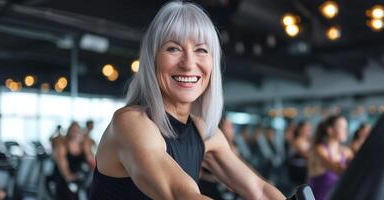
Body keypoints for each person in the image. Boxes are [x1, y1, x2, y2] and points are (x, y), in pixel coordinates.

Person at [88, 1, 286, 199]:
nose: (189, 63)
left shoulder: (203, 131)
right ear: (153, 59)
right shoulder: (131, 123)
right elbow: (181, 194)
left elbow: (259, 190)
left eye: (201, 50)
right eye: (173, 48)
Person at [307, 115, 354, 200]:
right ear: (330, 130)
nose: (346, 131)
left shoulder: (346, 152)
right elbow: (335, 168)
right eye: (342, 127)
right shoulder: (319, 150)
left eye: (346, 127)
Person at [51, 122, 88, 200]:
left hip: (78, 178)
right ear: (69, 131)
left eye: (77, 131)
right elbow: (62, 162)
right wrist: (68, 176)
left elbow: (91, 159)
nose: (75, 133)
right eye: (73, 130)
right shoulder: (62, 145)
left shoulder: (83, 145)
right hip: (64, 178)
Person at [288, 121, 312, 185]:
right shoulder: (297, 141)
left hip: (305, 169)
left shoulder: (308, 141)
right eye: (305, 129)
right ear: (299, 130)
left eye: (309, 129)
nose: (307, 131)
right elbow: (305, 154)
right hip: (298, 171)